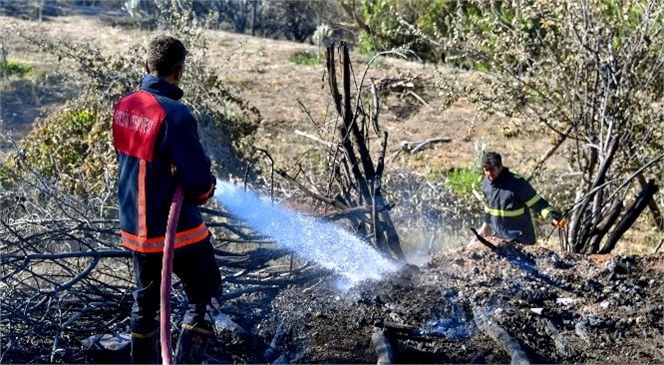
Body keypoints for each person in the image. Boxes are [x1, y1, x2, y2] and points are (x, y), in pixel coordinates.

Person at [112, 35, 221, 364]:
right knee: (206, 292)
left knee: (144, 303)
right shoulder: (175, 114)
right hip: (172, 228)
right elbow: (199, 181)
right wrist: (206, 189)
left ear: (146, 65)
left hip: (135, 227)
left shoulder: (125, 106)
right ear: (179, 71)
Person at [475, 151, 565, 245]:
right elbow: (489, 214)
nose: (489, 173)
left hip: (522, 241)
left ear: (500, 167)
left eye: (492, 169)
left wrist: (553, 217)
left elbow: (539, 204)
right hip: (500, 240)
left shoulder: (517, 184)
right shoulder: (487, 184)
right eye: (486, 170)